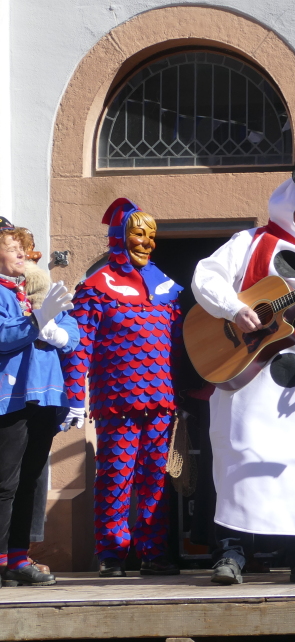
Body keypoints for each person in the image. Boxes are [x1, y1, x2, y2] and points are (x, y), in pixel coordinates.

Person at [191, 149, 295, 585]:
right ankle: (230, 554)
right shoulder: (249, 243)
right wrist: (232, 309)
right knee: (241, 458)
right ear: (290, 200)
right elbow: (204, 277)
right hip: (250, 373)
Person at [63, 199, 182, 577]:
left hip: (161, 400)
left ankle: (153, 551)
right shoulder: (96, 288)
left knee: (154, 479)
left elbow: (183, 345)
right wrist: (74, 398)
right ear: (119, 237)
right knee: (116, 476)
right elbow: (78, 346)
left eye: (152, 236)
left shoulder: (167, 288)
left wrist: (194, 391)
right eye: (139, 235)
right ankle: (111, 554)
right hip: (117, 401)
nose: (147, 243)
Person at [0, 218, 77, 586]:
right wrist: (35, 323)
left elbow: (71, 331)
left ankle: (17, 557)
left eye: (21, 246)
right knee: (5, 482)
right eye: (11, 245)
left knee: (31, 479)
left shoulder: (33, 288)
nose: (21, 252)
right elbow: (2, 335)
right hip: (10, 398)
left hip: (44, 395)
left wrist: (59, 331)